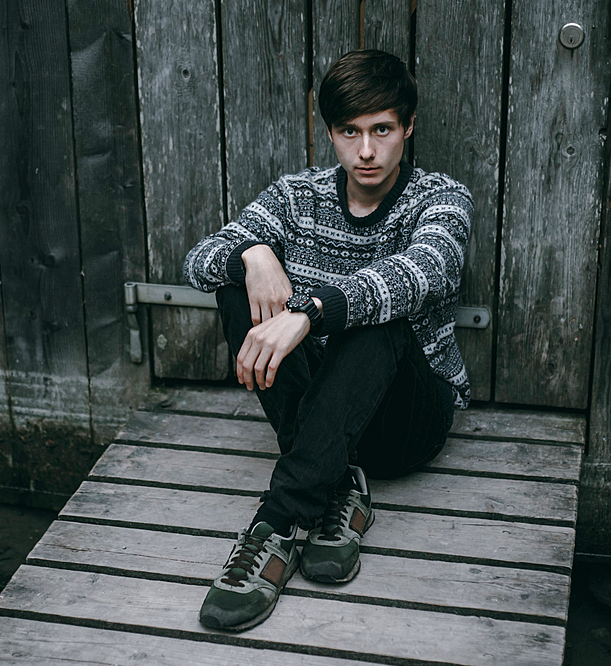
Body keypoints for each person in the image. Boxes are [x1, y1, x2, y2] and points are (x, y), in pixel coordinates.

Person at [182, 49, 473, 632]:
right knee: (235, 286)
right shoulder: (297, 197)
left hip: (405, 423)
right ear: (331, 133)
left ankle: (279, 524)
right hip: (326, 409)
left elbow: (425, 271)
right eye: (350, 132)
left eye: (382, 130)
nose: (366, 151)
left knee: (381, 315)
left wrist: (314, 311)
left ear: (407, 128)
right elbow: (198, 261)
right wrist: (254, 253)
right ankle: (338, 486)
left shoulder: (442, 198)